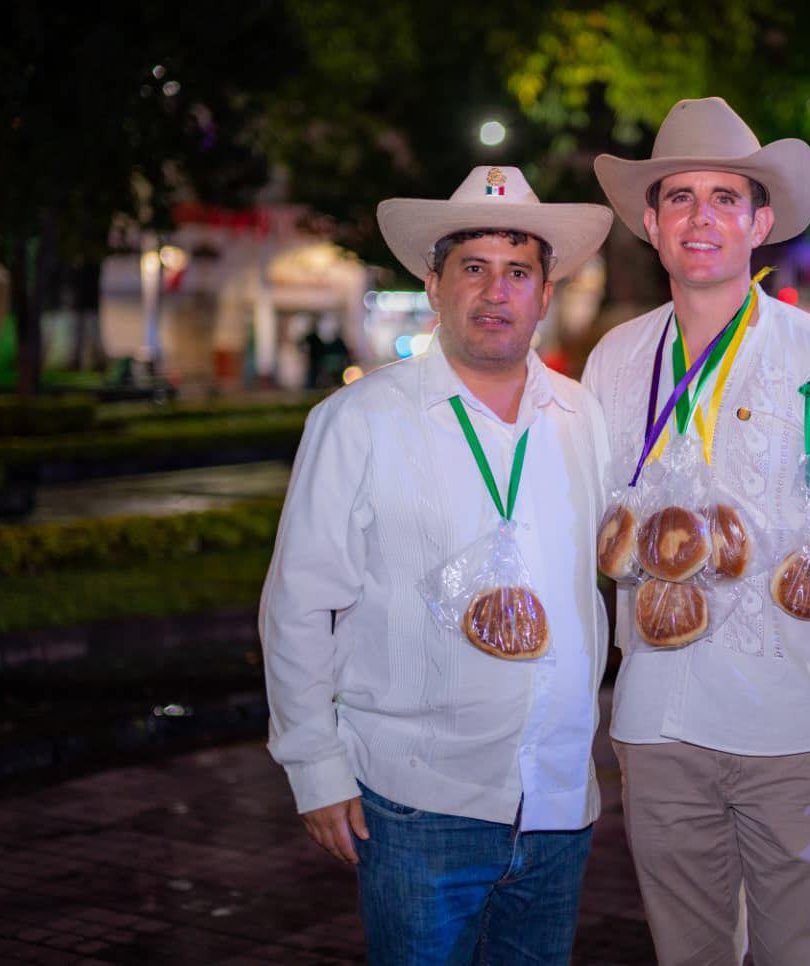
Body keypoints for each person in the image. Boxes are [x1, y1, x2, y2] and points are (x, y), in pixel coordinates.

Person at [583, 97, 810, 965]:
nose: (701, 217)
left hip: (796, 730)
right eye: (680, 197)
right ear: (651, 223)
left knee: (806, 954)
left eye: (725, 198)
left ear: (759, 223)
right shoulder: (615, 360)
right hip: (654, 726)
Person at [260, 165, 614, 965]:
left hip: (558, 804)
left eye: (518, 271)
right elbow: (299, 604)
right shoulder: (360, 421)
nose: (496, 291)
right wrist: (316, 768)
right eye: (473, 268)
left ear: (545, 293)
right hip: (419, 806)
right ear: (434, 284)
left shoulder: (581, 416)